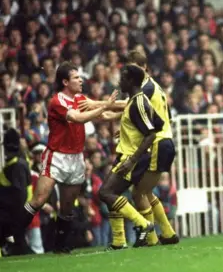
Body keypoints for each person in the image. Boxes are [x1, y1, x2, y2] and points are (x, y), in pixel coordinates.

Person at [82, 50, 180, 248]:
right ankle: (160, 234)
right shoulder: (151, 89)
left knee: (131, 193)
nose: (121, 79)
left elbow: (135, 109)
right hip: (157, 141)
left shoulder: (145, 89)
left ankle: (147, 230)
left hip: (153, 144)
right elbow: (156, 118)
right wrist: (128, 129)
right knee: (139, 192)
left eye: (129, 71)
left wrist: (98, 104)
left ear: (141, 69)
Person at [18, 62, 117, 253]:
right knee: (39, 200)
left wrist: (128, 109)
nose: (81, 80)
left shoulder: (80, 98)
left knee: (67, 206)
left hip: (76, 157)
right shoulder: (57, 101)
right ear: (65, 82)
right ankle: (11, 236)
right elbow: (78, 118)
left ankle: (61, 245)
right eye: (76, 77)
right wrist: (106, 104)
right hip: (56, 156)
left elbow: (103, 114)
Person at [98, 65, 162, 248]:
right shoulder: (136, 101)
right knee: (113, 194)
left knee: (105, 193)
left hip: (131, 158)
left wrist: (133, 159)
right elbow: (158, 122)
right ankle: (119, 241)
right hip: (127, 155)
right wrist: (127, 132)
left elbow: (151, 133)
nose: (120, 82)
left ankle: (143, 224)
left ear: (132, 81)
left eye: (123, 78)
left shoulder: (138, 103)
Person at [0, 128, 32, 256]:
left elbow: (19, 194)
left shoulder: (16, 165)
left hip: (15, 211)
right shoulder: (19, 162)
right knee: (18, 241)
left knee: (19, 242)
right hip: (18, 210)